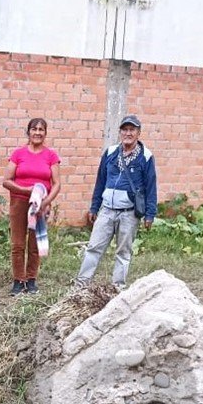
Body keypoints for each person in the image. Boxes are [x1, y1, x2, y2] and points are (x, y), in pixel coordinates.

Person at [75, 114, 157, 289]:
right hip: (106, 210)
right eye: (125, 129)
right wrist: (94, 206)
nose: (128, 133)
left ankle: (117, 288)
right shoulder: (111, 153)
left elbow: (151, 186)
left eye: (132, 130)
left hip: (129, 213)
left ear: (138, 133)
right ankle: (80, 285)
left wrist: (150, 214)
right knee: (93, 247)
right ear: (120, 132)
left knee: (123, 252)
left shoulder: (146, 157)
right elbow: (100, 181)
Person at [1, 118, 60, 295]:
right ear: (28, 132)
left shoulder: (51, 156)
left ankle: (31, 280)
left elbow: (56, 183)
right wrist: (26, 190)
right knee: (18, 243)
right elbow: (6, 181)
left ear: (45, 133)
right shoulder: (18, 154)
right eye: (34, 129)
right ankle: (18, 281)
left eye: (41, 129)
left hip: (40, 205)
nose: (38, 132)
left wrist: (46, 202)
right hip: (19, 202)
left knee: (35, 243)